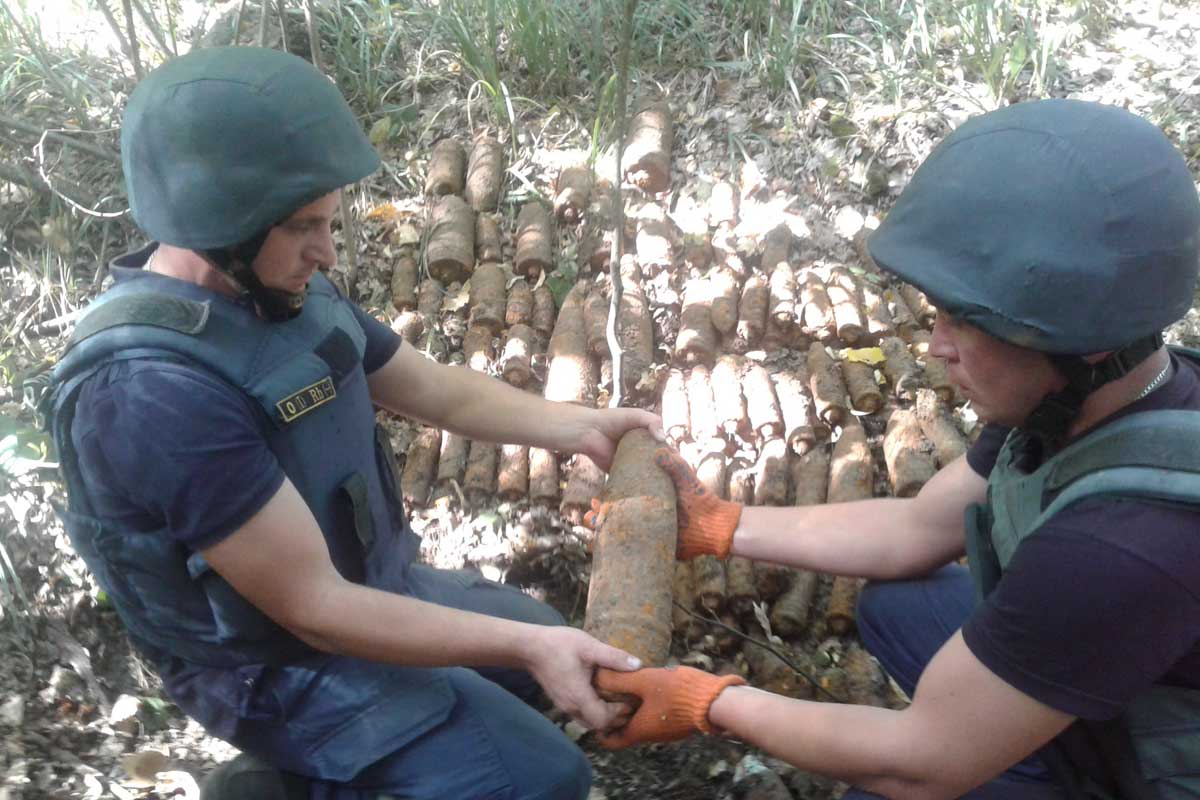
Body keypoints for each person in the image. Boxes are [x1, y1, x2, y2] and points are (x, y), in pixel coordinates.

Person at [43, 46, 661, 800]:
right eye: (305, 226)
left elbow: (438, 390)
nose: (327, 251)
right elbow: (315, 611)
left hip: (366, 583)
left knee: (532, 653)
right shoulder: (149, 394)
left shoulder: (274, 290)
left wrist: (583, 427)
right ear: (223, 228)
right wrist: (533, 646)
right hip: (270, 660)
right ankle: (278, 787)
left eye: (328, 221)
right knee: (540, 778)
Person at [589, 99, 1200, 799]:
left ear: (1083, 337)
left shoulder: (1120, 549)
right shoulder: (1092, 396)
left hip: (1148, 757)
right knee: (897, 604)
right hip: (1109, 676)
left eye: (966, 320)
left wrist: (710, 703)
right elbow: (915, 530)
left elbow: (920, 762)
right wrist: (723, 526)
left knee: (878, 792)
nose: (936, 344)